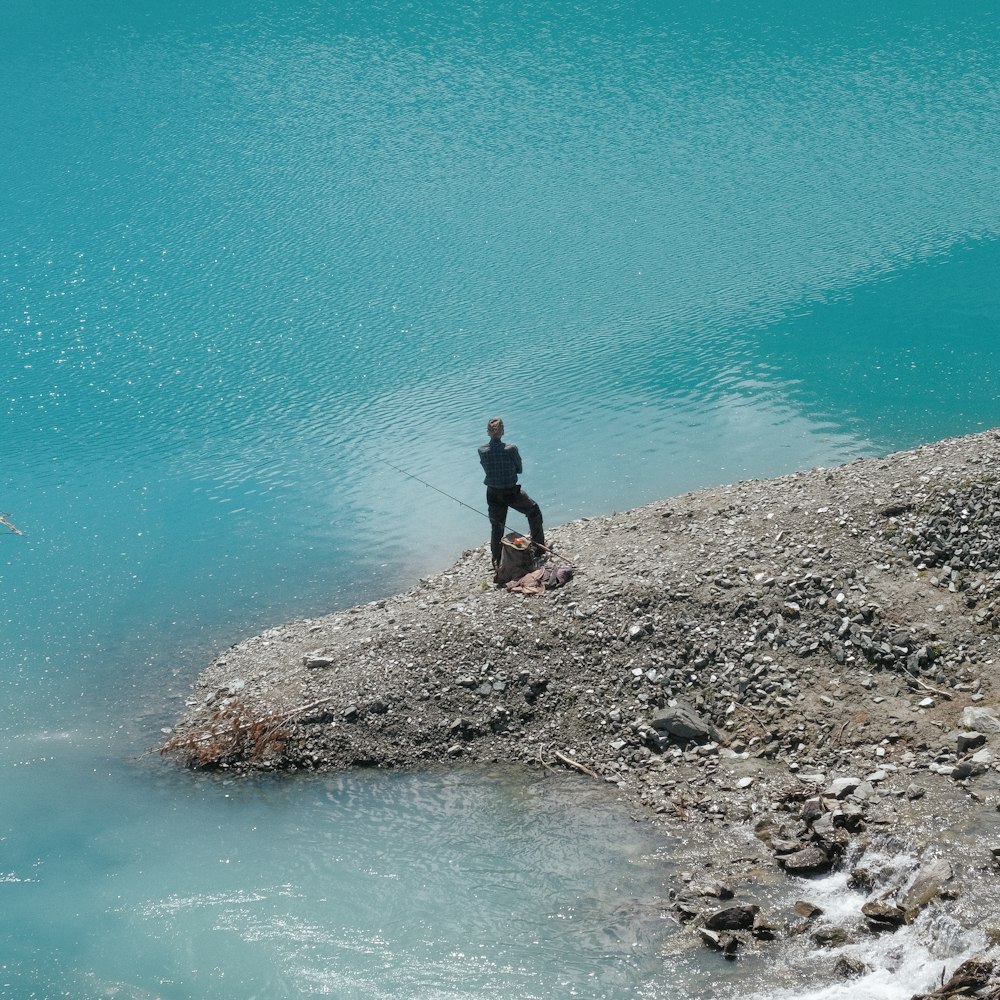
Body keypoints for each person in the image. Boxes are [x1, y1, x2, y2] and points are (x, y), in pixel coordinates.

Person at [478, 417, 545, 568]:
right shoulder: (511, 449)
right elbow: (519, 469)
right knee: (533, 510)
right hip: (511, 492)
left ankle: (496, 559)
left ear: (488, 432)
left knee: (497, 526)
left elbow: (487, 469)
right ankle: (539, 548)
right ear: (502, 431)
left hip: (493, 493)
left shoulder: (481, 450)